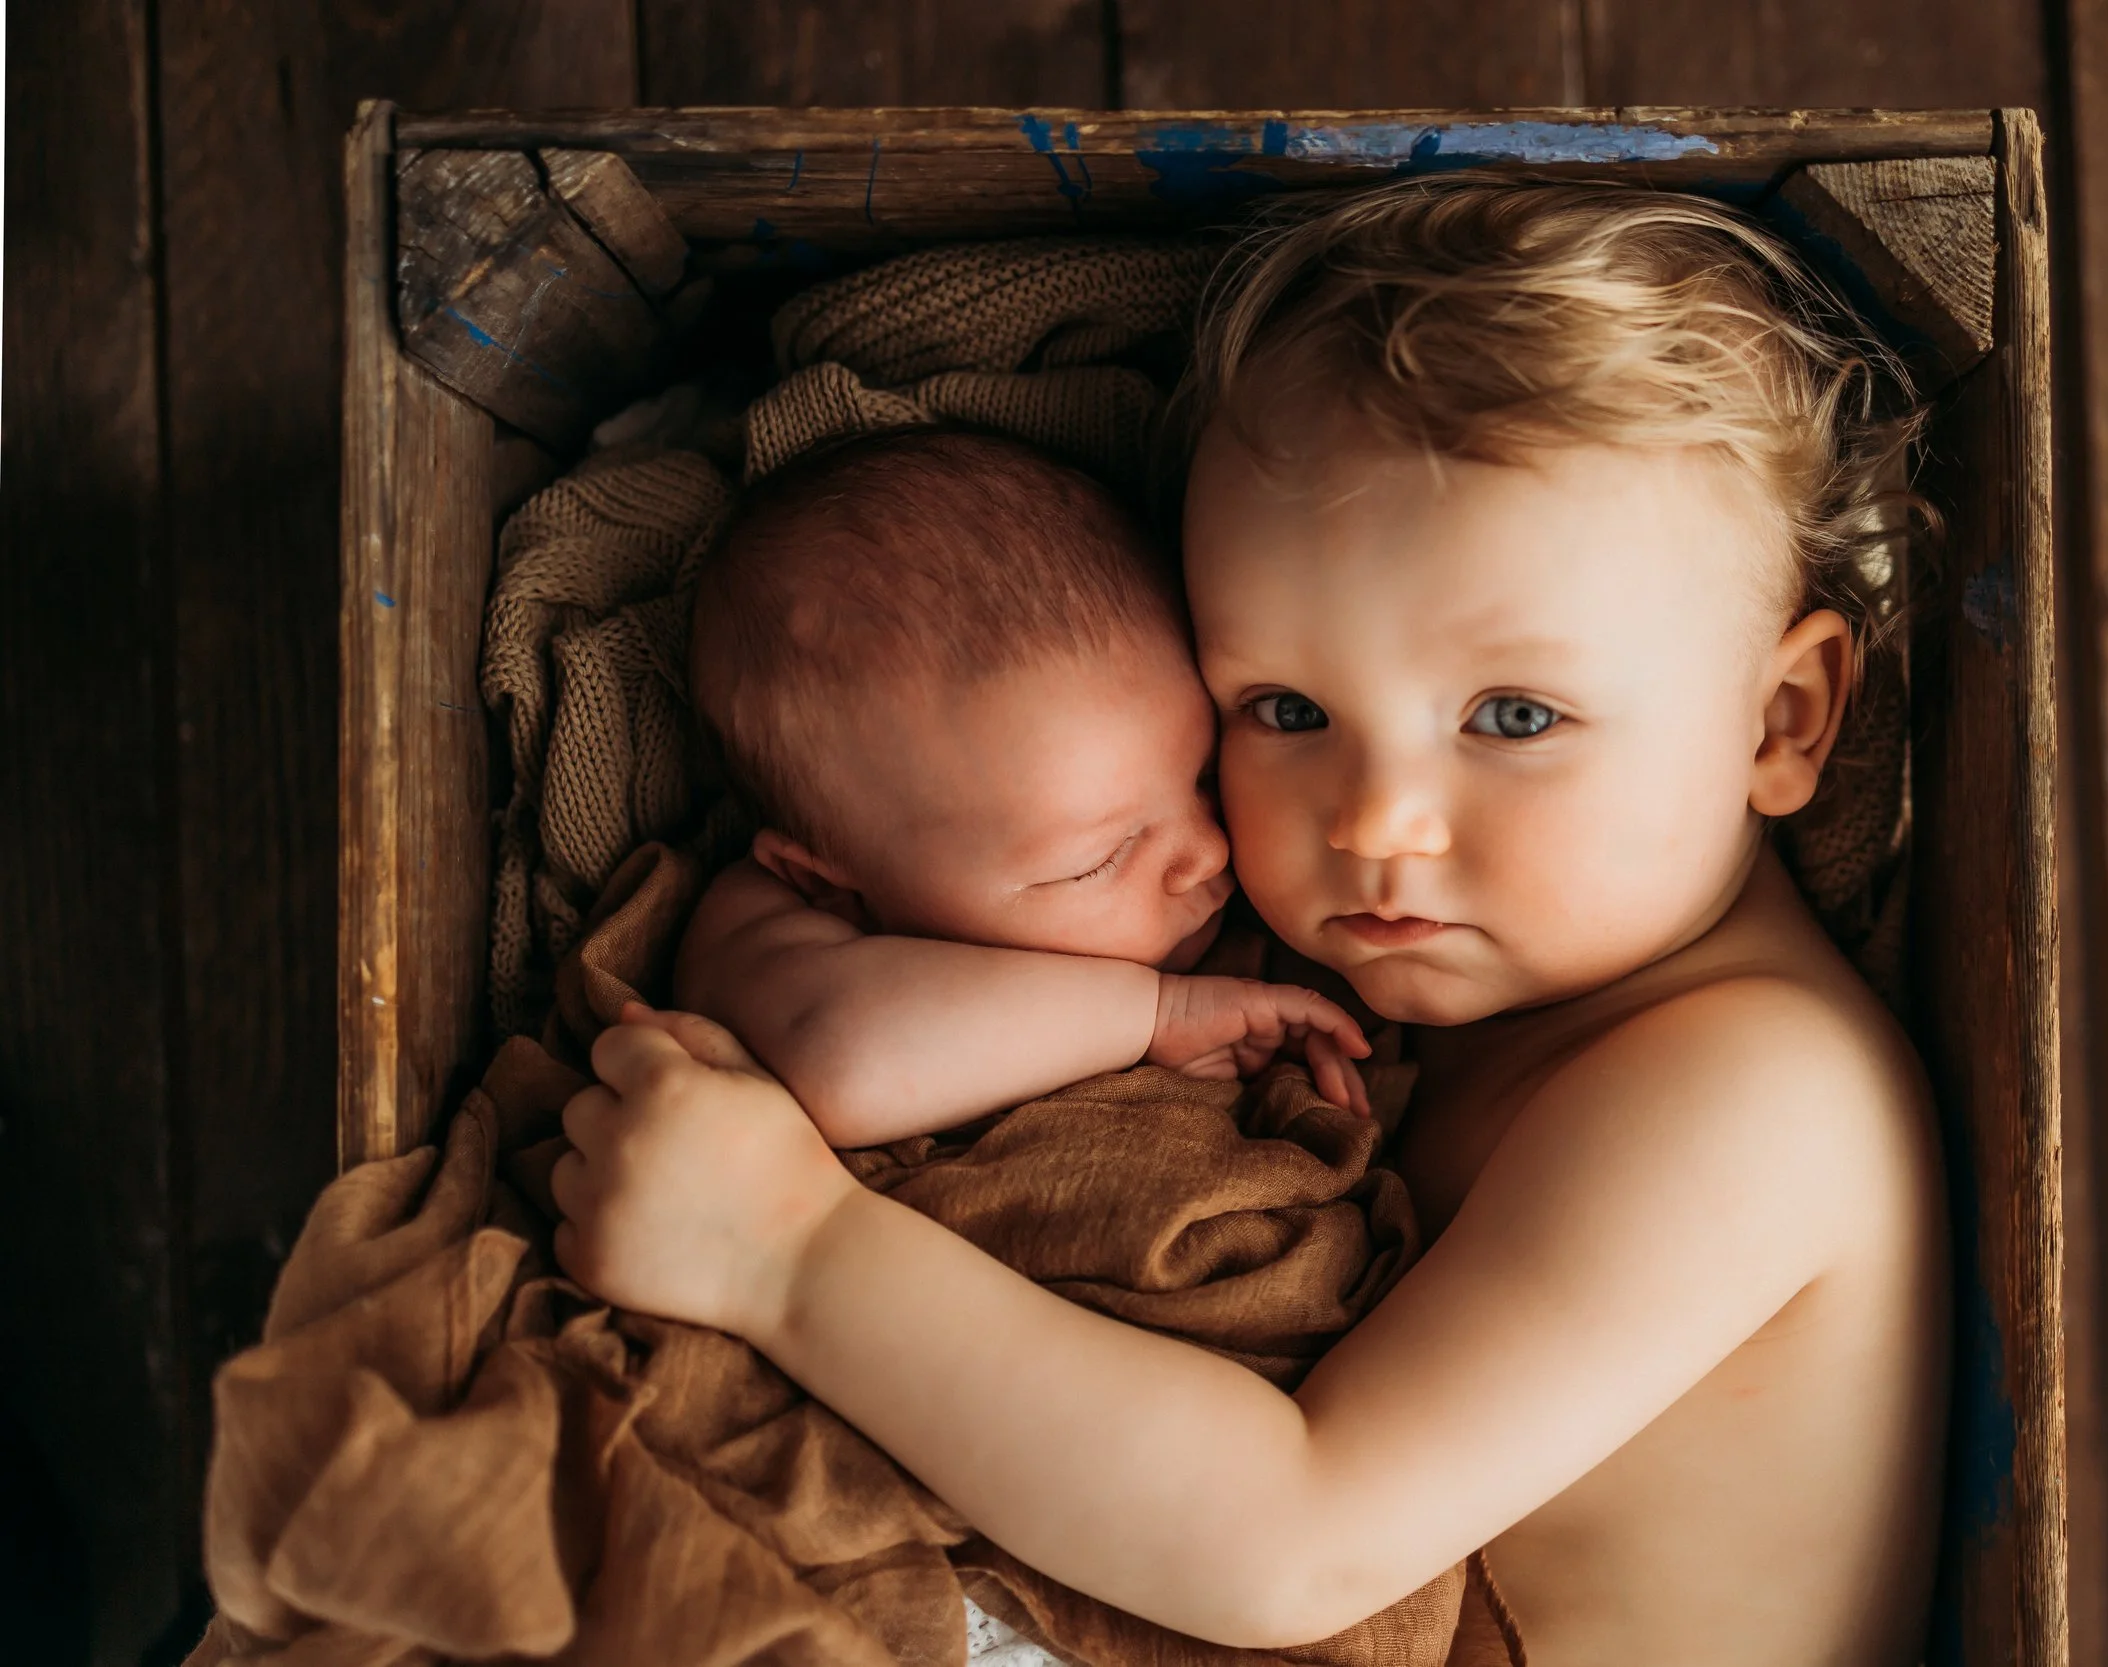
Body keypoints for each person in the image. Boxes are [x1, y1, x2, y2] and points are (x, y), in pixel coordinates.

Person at [553, 178, 1950, 1667]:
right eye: (1285, 708)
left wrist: (788, 1248)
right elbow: (830, 954)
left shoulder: (1761, 1097)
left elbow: (1296, 1540)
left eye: (1517, 713)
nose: (1371, 819)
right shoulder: (1433, 960)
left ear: (1781, 720)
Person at [674, 425, 1373, 1145]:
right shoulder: (766, 926)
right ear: (830, 882)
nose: (1209, 851)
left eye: (1202, 777)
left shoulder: (1209, 906)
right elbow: (846, 1069)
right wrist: (1158, 1015)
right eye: (1098, 859)